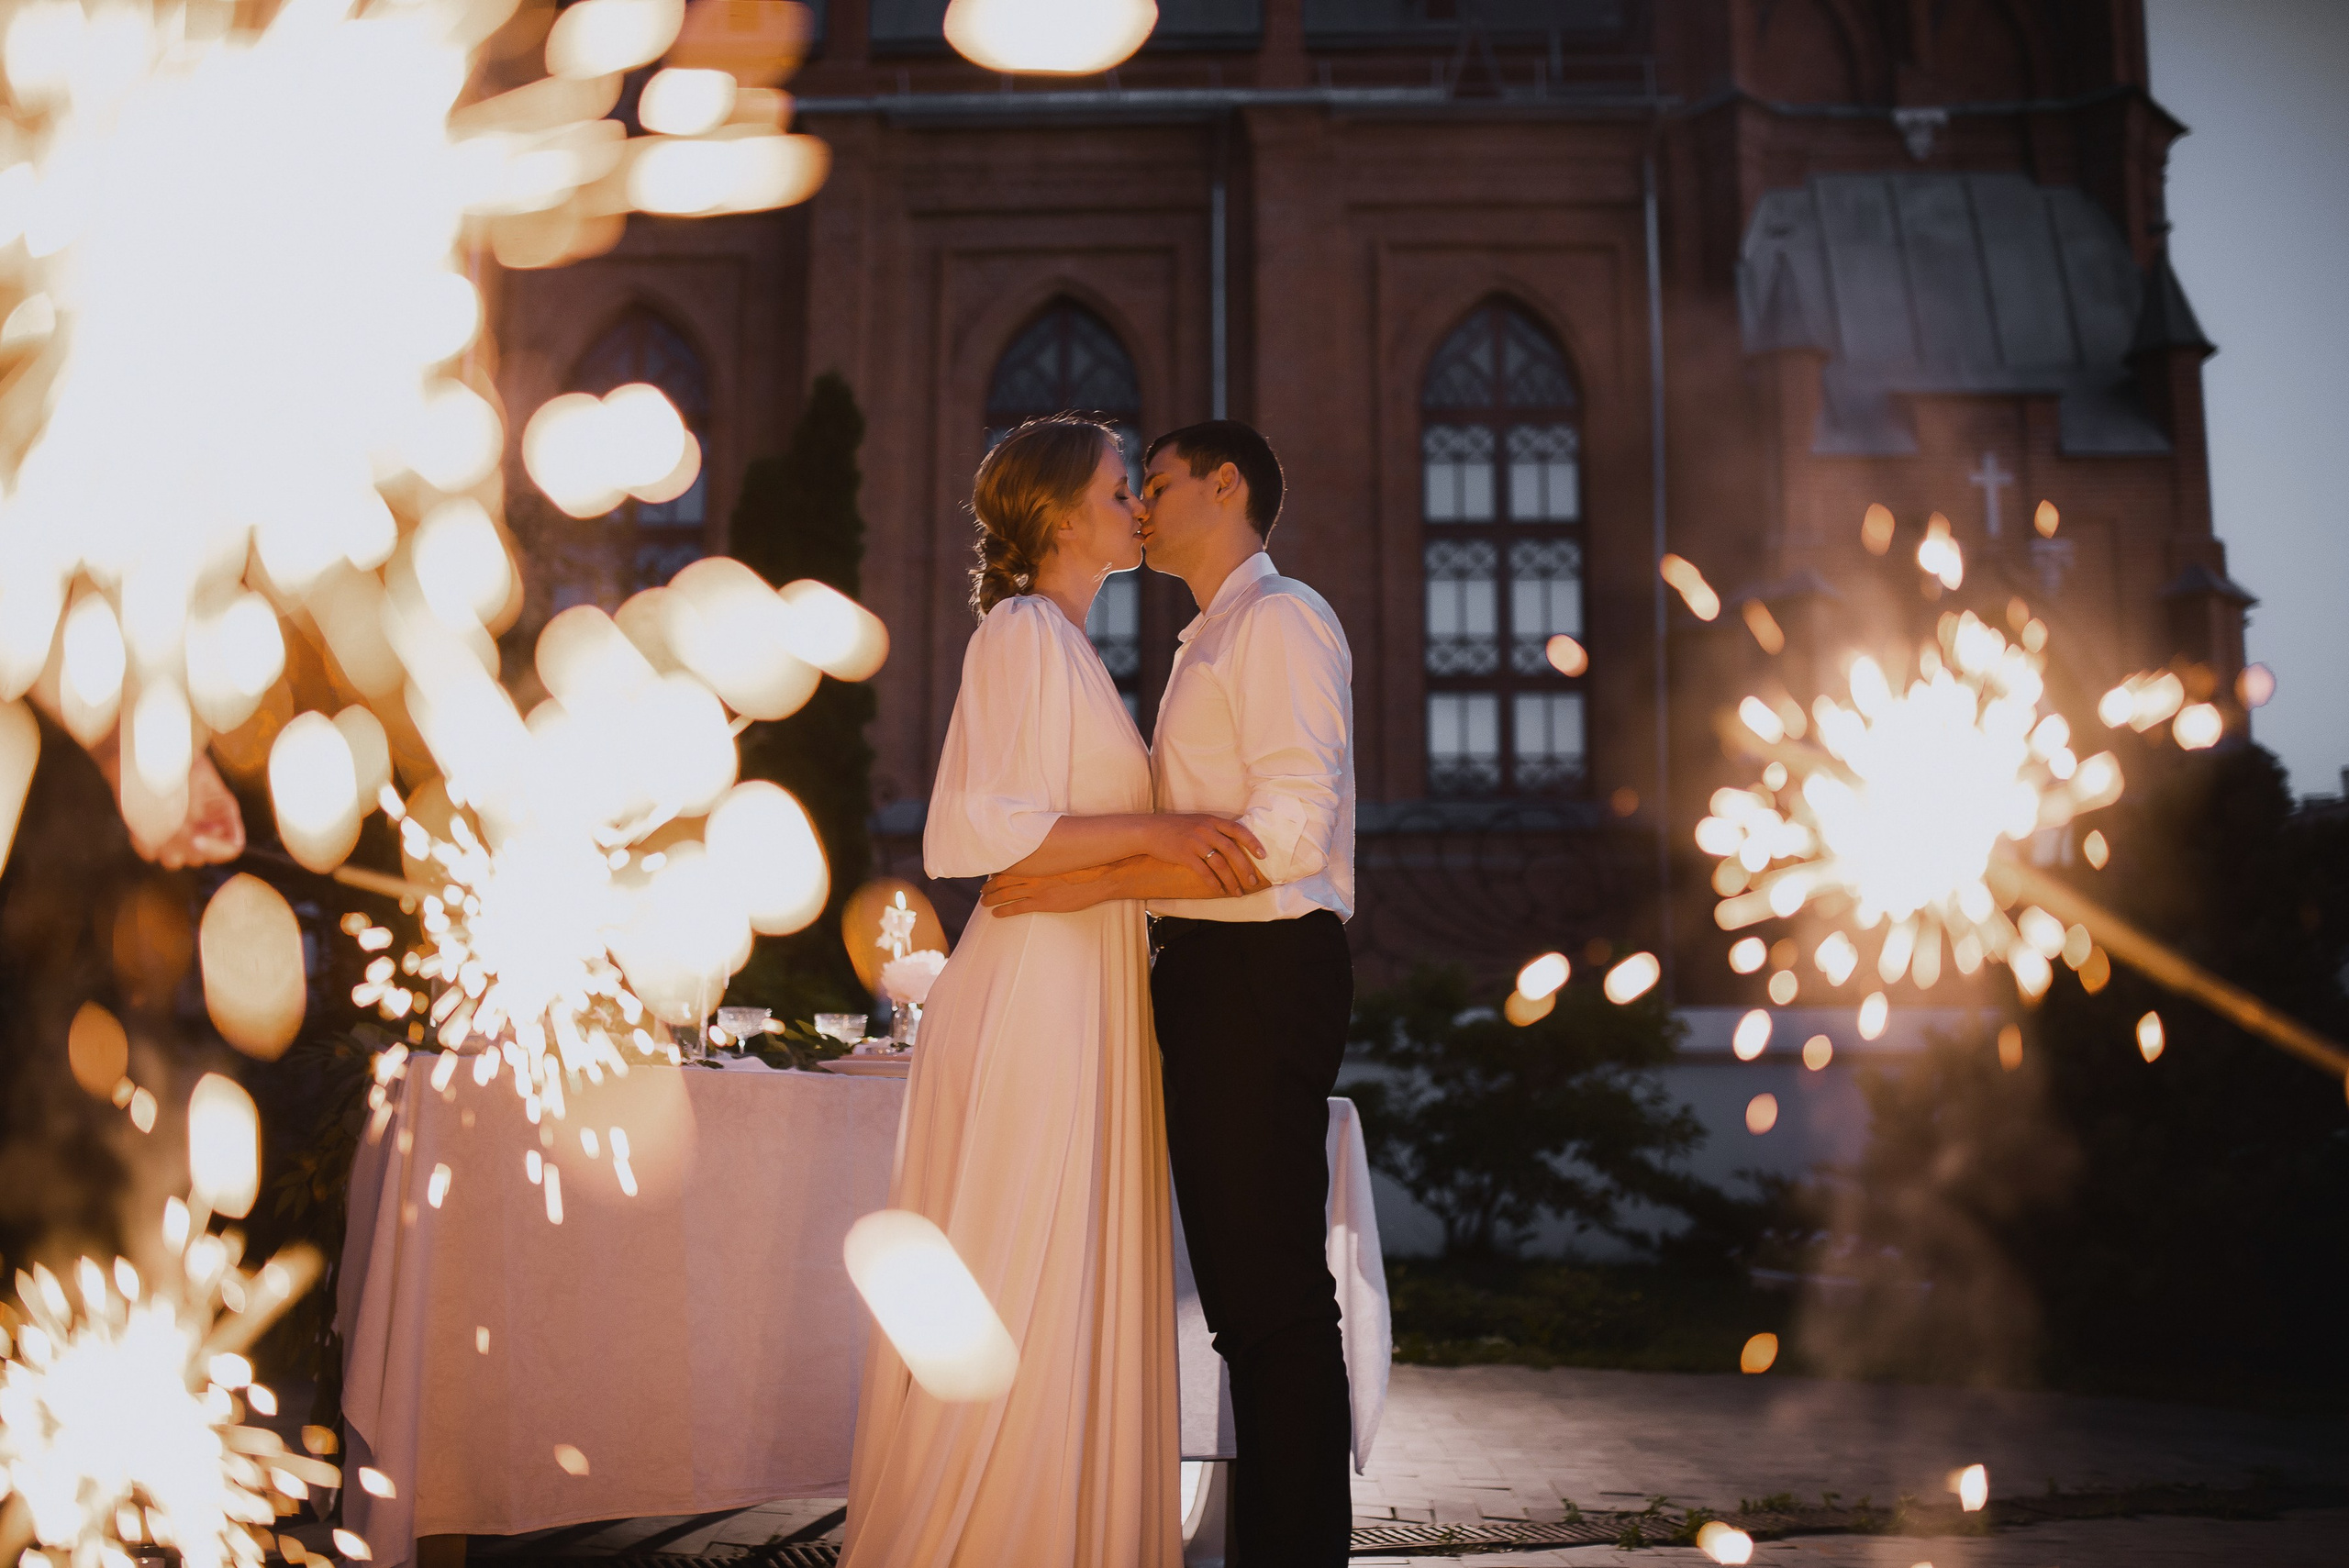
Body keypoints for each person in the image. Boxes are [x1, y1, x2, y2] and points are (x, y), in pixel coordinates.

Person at [841, 417, 1271, 1568]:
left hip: (1091, 993)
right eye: (1121, 485)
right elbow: (996, 845)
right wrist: (1170, 826)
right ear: (1057, 513)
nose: (1138, 504)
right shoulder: (1023, 632)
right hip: (1034, 996)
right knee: (1019, 1266)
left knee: (1070, 1277)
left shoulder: (1073, 648)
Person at [984, 420, 1357, 1568]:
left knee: (1272, 1297)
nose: (1139, 507)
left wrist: (1087, 884)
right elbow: (1218, 836)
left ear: (1225, 484)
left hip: (1260, 966)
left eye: (1155, 483)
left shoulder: (1281, 618)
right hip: (1210, 970)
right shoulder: (1210, 639)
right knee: (1247, 1300)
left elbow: (1285, 830)